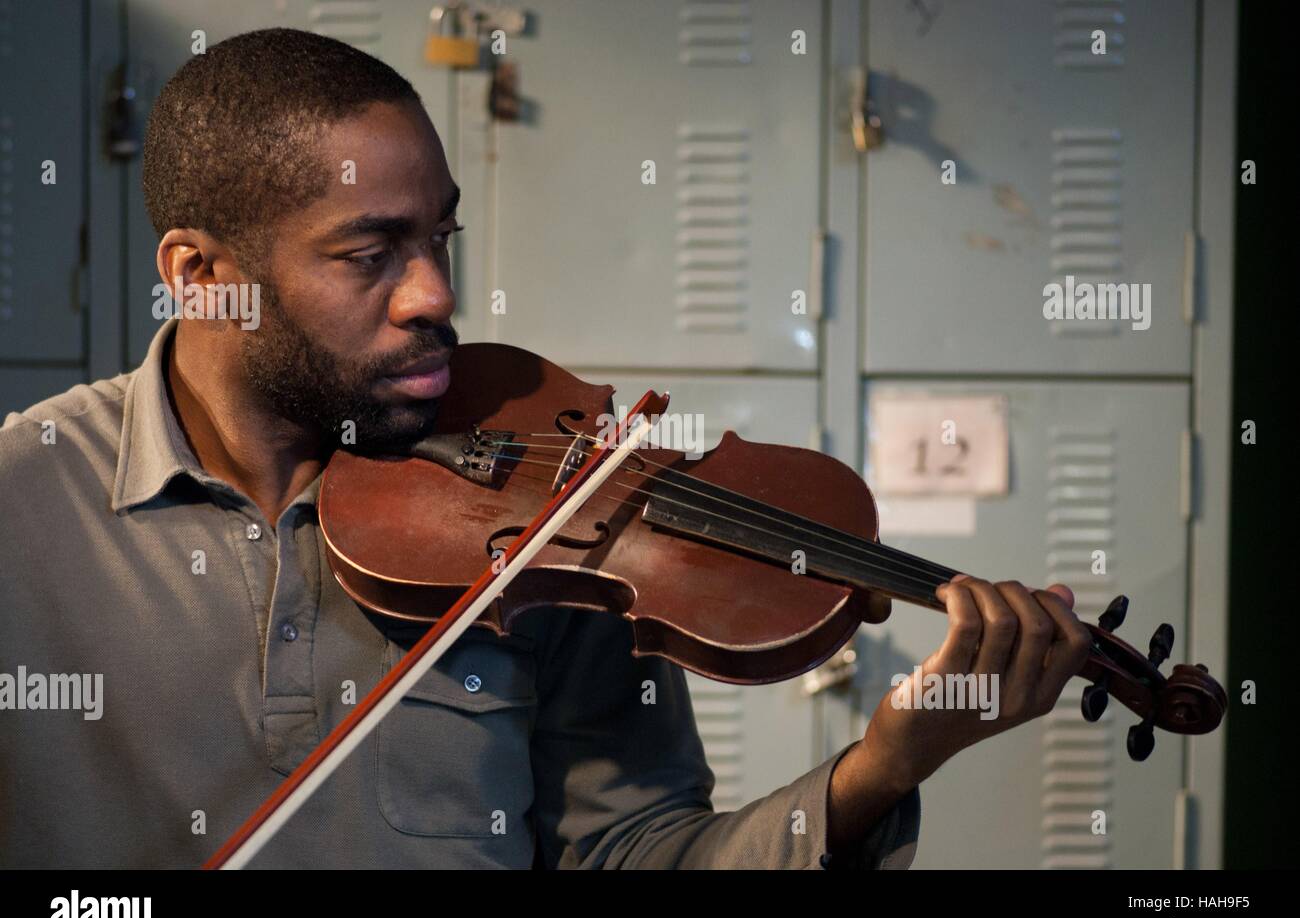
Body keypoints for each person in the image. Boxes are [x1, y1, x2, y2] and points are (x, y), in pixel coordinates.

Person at [0, 28, 1091, 869]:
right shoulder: (23, 502)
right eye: (371, 252)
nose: (436, 296)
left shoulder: (558, 527)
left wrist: (886, 766)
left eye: (441, 237)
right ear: (201, 276)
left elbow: (636, 853)